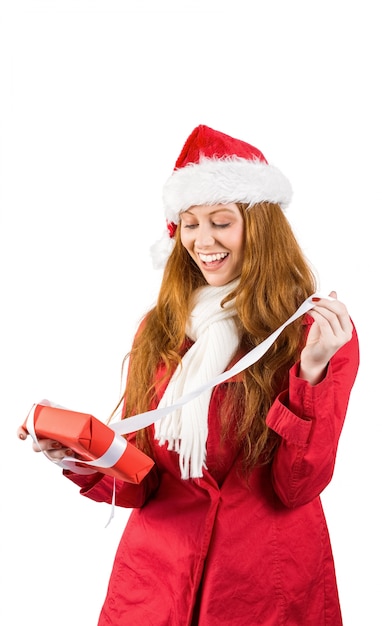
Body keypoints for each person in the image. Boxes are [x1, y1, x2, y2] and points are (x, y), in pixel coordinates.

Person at [18, 125, 359, 625]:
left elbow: (297, 487)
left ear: (259, 227)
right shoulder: (159, 328)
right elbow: (143, 483)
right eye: (190, 224)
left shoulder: (310, 331)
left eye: (221, 222)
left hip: (264, 589)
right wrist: (82, 456)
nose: (203, 241)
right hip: (155, 586)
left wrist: (311, 373)